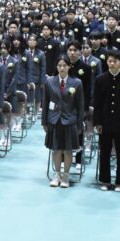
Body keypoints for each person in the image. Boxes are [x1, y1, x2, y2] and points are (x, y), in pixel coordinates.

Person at [92, 50, 120, 191]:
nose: (112, 63)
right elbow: (97, 103)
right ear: (107, 62)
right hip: (104, 122)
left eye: (115, 61)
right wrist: (97, 122)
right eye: (110, 61)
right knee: (104, 152)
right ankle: (105, 180)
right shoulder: (100, 79)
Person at [43, 57, 84, 188]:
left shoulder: (77, 83)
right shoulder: (49, 82)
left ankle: (65, 176)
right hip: (54, 120)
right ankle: (57, 174)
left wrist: (79, 124)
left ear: (69, 67)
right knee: (56, 150)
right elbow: (45, 102)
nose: (61, 68)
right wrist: (44, 121)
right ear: (56, 67)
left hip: (69, 121)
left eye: (64, 65)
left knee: (67, 150)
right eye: (59, 65)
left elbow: (80, 105)